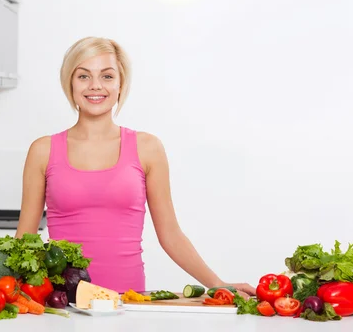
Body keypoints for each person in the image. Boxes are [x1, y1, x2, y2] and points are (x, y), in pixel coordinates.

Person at [15, 36, 255, 297]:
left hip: (128, 304)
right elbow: (24, 241)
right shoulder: (42, 150)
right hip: (62, 304)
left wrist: (217, 284)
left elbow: (171, 235)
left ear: (121, 84)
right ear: (70, 83)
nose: (95, 86)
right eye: (83, 76)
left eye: (107, 76)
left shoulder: (147, 148)